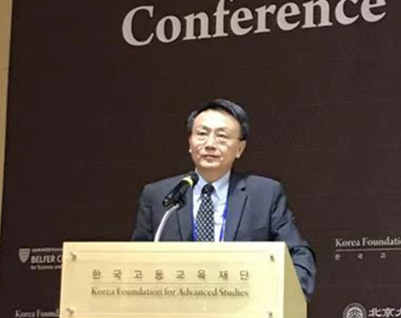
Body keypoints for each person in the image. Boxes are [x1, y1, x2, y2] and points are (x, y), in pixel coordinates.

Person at [132, 98, 316, 301]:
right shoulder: (160, 196)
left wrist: (287, 299)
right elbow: (136, 262)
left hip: (243, 308)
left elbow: (298, 253)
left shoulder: (264, 194)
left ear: (240, 148)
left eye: (221, 136)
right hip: (174, 310)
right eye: (202, 134)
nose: (210, 144)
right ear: (190, 143)